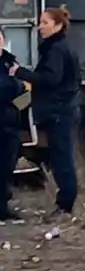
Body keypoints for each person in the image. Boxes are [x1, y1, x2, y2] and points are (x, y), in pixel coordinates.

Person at [8, 6, 81, 220]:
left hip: (59, 113)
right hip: (61, 110)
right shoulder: (59, 47)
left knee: (62, 160)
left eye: (45, 23)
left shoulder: (56, 50)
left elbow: (50, 79)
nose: (40, 27)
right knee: (59, 158)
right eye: (40, 22)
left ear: (57, 26)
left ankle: (65, 206)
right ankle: (64, 203)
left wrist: (20, 72)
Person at [0, 28, 25, 220]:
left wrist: (19, 107)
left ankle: (2, 207)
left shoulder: (10, 62)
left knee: (7, 166)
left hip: (10, 122)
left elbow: (23, 90)